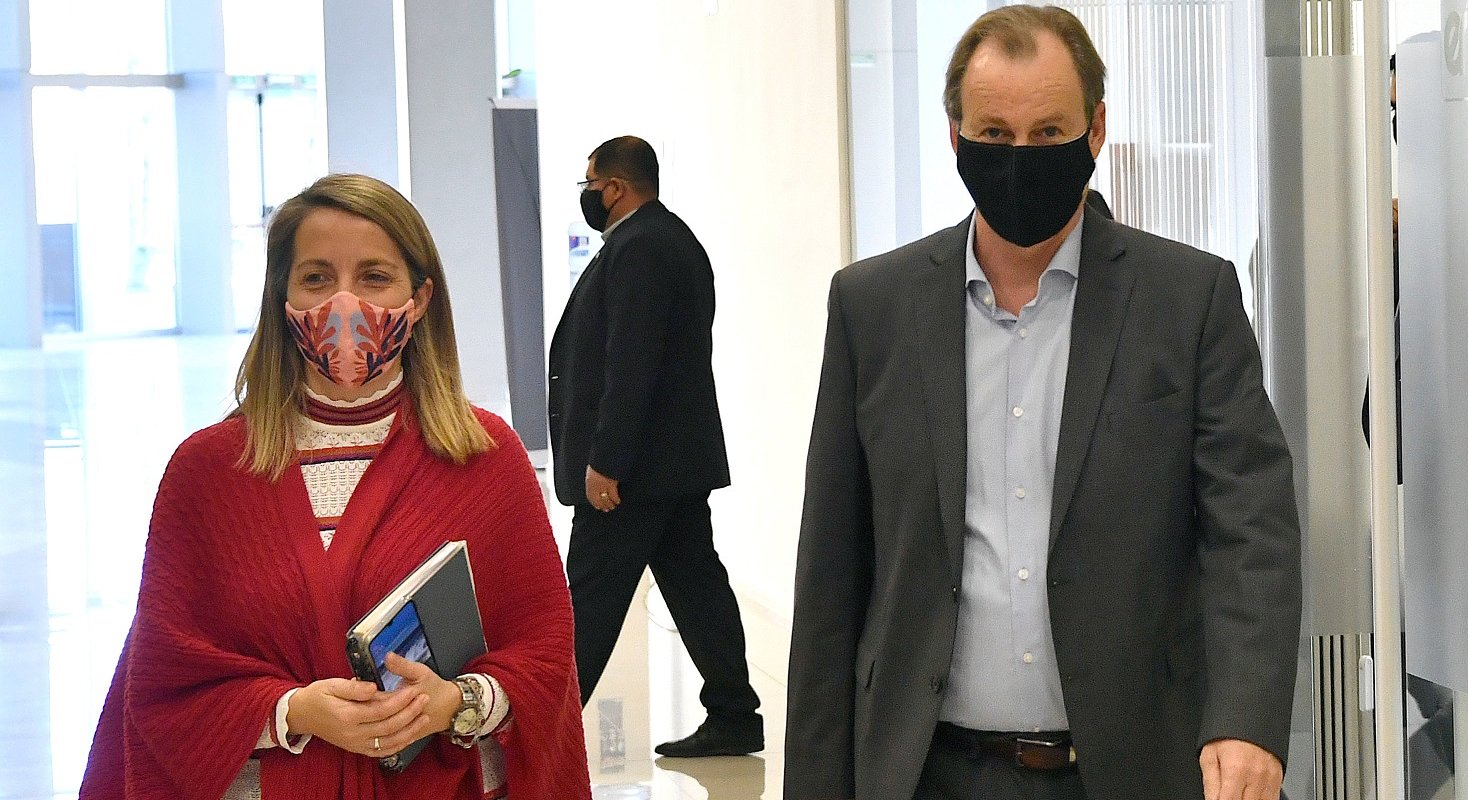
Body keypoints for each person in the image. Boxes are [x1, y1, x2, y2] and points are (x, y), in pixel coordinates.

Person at [786, 7, 1303, 800]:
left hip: (1129, 769)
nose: (1020, 156)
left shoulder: (1186, 300)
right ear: (955, 137)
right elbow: (832, 573)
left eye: (1048, 131)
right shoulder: (873, 308)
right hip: (926, 772)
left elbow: (1251, 530)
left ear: (1096, 130)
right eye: (994, 133)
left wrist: (1247, 718)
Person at [79, 174, 589, 798]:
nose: (344, 303)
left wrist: (456, 703)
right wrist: (293, 712)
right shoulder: (207, 472)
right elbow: (164, 685)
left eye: (374, 277)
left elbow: (543, 657)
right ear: (282, 297)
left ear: (420, 298)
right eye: (317, 277)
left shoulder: (485, 458)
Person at [547, 136, 763, 757]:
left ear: (615, 187)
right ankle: (734, 714)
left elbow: (632, 362)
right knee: (697, 589)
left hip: (635, 473)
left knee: (588, 602)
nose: (587, 195)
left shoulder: (640, 247)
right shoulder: (668, 239)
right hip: (671, 465)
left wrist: (606, 460)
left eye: (590, 184)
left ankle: (543, 735)